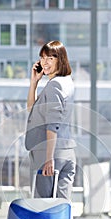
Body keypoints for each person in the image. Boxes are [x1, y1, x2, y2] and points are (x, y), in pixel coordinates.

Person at [25, 40, 76, 200]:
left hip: (49, 152)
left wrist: (49, 158)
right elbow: (32, 111)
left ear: (60, 60)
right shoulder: (67, 82)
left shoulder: (54, 86)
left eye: (50, 58)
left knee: (42, 206)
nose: (44, 62)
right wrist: (34, 83)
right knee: (63, 206)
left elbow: (52, 125)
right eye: (42, 58)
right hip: (67, 151)